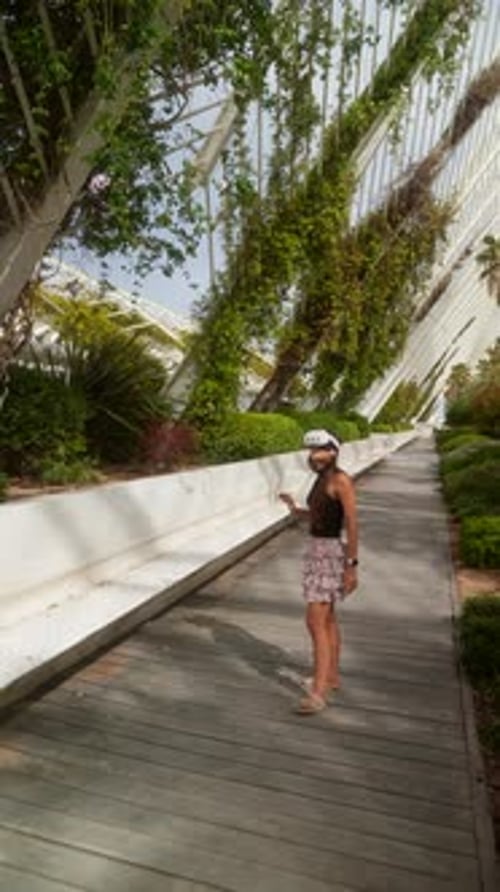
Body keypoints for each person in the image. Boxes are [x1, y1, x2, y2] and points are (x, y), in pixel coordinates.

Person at [279, 429, 358, 715]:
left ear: (333, 451)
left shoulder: (341, 480)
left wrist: (351, 566)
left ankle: (318, 692)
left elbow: (351, 524)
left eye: (320, 450)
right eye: (311, 452)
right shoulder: (320, 480)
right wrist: (295, 510)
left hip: (330, 555)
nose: (314, 456)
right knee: (327, 620)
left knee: (315, 621)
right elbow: (319, 515)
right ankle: (331, 677)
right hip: (316, 551)